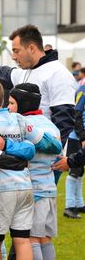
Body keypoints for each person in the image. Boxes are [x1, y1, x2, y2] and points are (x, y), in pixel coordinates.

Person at [0, 24, 75, 157]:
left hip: (45, 153)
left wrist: (56, 153)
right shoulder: (26, 71)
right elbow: (3, 73)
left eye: (16, 51)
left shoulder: (58, 73)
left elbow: (64, 117)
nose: (13, 56)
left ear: (31, 48)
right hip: (25, 150)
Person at [6, 83, 62, 260]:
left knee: (29, 239)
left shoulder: (20, 124)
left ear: (23, 104)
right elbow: (59, 160)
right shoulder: (51, 125)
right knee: (45, 238)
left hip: (31, 191)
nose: (8, 107)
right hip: (49, 190)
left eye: (12, 103)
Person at [61, 81, 85, 219]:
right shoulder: (82, 89)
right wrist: (82, 136)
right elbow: (77, 113)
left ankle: (79, 203)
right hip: (76, 136)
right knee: (74, 169)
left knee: (80, 170)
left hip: (81, 136)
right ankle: (69, 206)